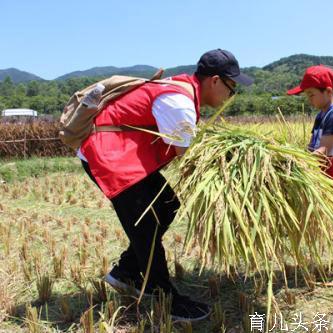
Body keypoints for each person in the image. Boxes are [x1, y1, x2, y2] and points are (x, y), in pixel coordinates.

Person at [78, 49, 253, 321]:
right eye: (232, 88)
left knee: (168, 205)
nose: (231, 96)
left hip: (125, 155)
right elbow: (190, 160)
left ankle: (126, 272)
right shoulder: (179, 103)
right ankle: (164, 297)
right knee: (146, 224)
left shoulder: (183, 92)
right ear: (215, 81)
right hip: (110, 155)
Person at [287, 65, 333, 279]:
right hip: (325, 174)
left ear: (328, 91)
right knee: (329, 220)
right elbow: (312, 147)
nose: (310, 100)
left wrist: (295, 161)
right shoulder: (321, 115)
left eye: (312, 95)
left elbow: (324, 150)